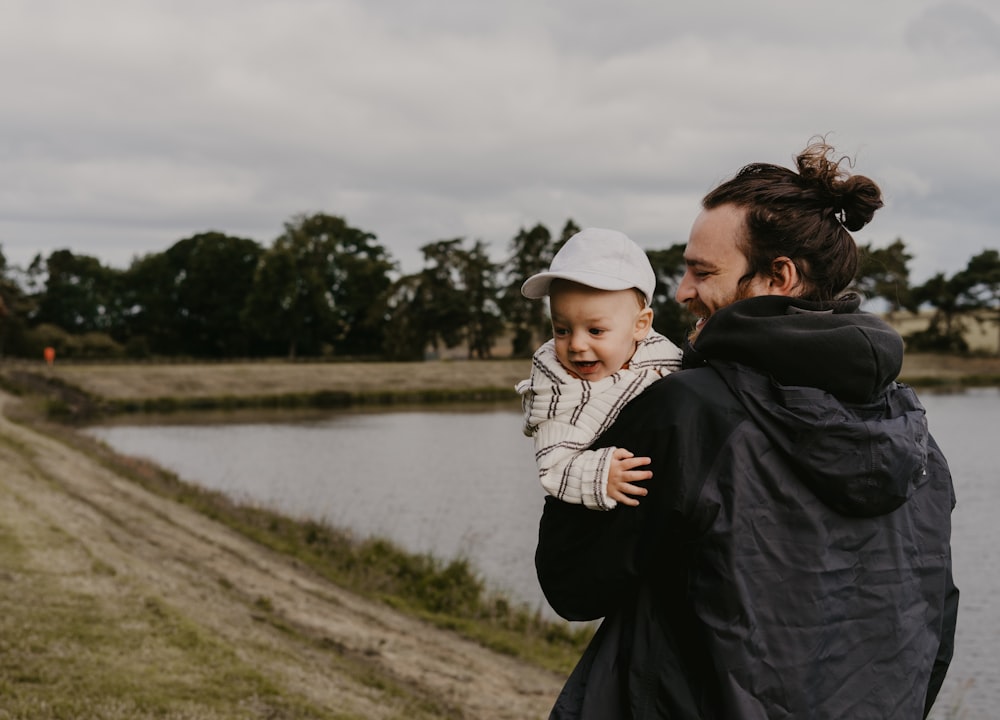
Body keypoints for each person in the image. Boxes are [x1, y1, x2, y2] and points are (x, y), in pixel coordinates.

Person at [534, 140, 959, 719]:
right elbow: (934, 631)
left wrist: (577, 433)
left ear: (778, 276)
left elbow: (573, 583)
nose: (681, 291)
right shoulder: (915, 436)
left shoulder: (686, 410)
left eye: (702, 271)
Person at [516, 228, 682, 510]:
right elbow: (552, 465)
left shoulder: (669, 363)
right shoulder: (554, 385)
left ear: (640, 325)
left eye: (595, 330)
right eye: (562, 330)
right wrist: (600, 474)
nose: (577, 345)